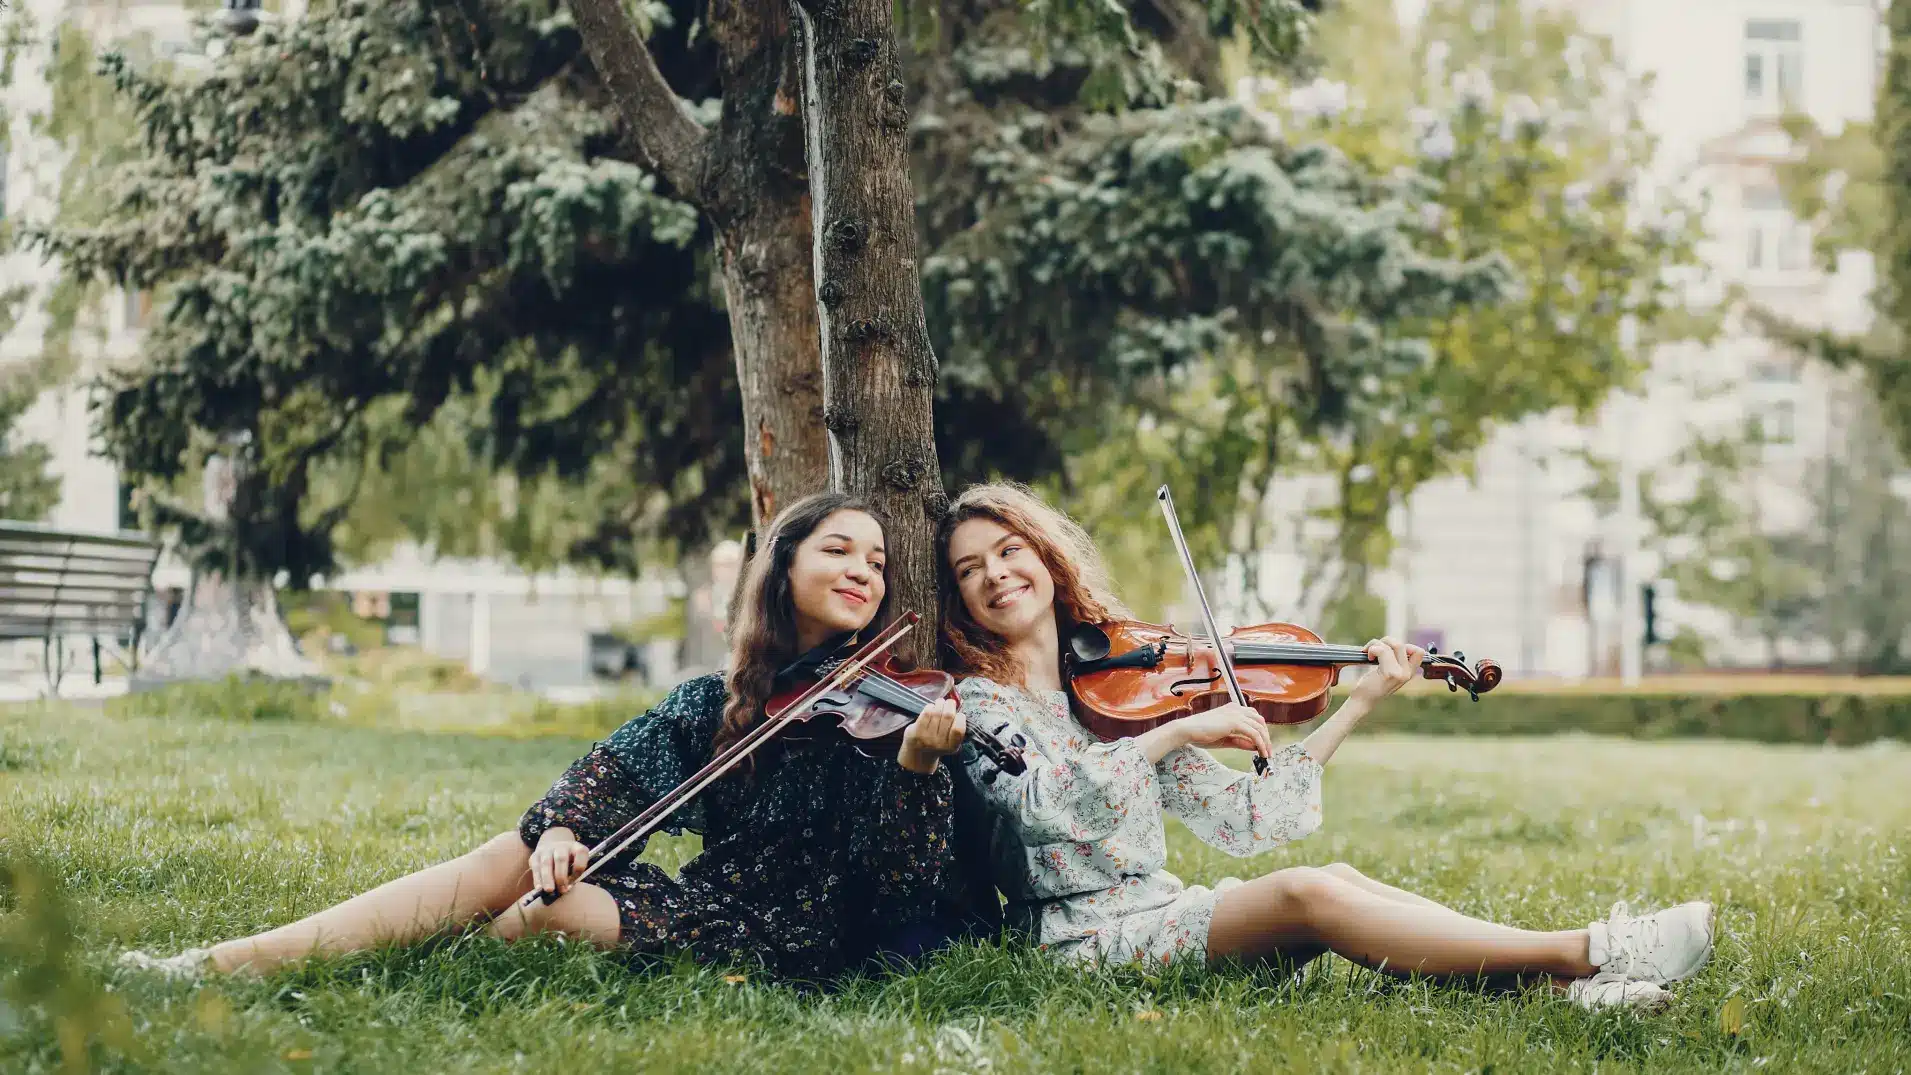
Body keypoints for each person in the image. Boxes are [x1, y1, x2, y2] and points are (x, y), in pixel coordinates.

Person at [120, 492, 986, 983]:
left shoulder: (897, 716)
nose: (864, 573)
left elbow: (899, 891)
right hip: (709, 899)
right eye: (839, 550)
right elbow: (606, 775)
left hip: (793, 940)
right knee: (520, 853)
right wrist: (567, 830)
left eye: (876, 562)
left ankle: (394, 975)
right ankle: (226, 962)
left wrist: (917, 765)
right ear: (783, 566)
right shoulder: (720, 700)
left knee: (544, 915)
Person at [935, 482, 1714, 1010]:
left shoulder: (1114, 691)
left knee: (1331, 875)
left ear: (1045, 557)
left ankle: (1558, 987)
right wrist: (1174, 730)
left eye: (1009, 551)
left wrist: (1356, 704)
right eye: (970, 570)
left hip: (1159, 912)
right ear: (958, 598)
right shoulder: (978, 702)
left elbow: (1247, 819)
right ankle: (1591, 948)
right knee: (1305, 893)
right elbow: (1037, 807)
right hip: (1082, 943)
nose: (995, 575)